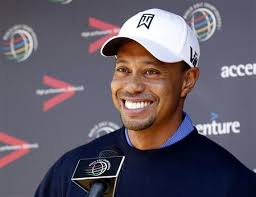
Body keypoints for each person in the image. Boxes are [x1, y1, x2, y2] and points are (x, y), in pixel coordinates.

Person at [34, 8, 256, 197]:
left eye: (151, 71)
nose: (132, 86)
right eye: (123, 69)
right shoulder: (72, 168)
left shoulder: (232, 183)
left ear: (187, 81)